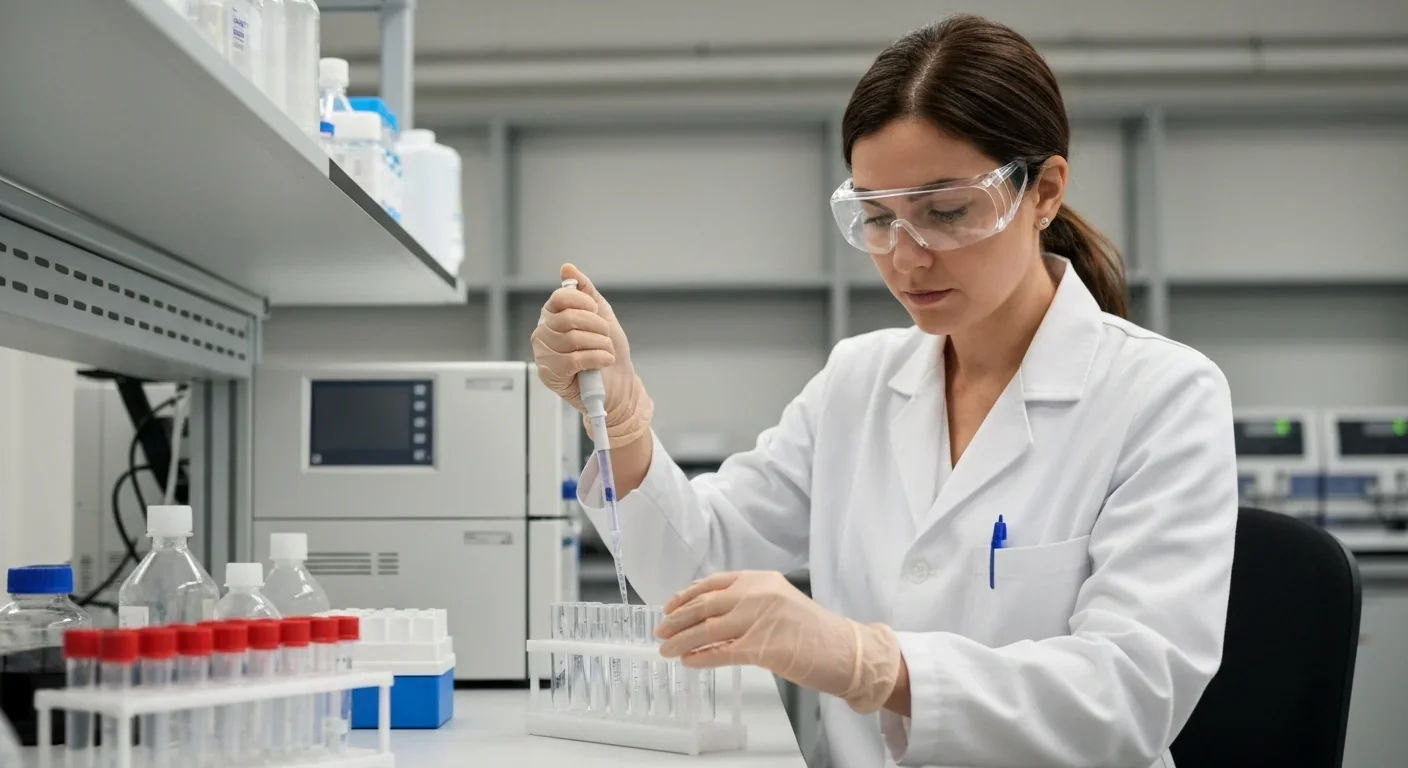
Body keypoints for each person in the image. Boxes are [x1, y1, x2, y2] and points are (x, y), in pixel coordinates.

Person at [531, 14, 1236, 768]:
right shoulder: (859, 381)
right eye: (876, 217)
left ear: (1044, 192)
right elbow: (696, 570)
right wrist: (628, 423)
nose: (906, 259)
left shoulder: (1163, 396)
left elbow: (1131, 693)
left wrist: (873, 663)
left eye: (946, 212)